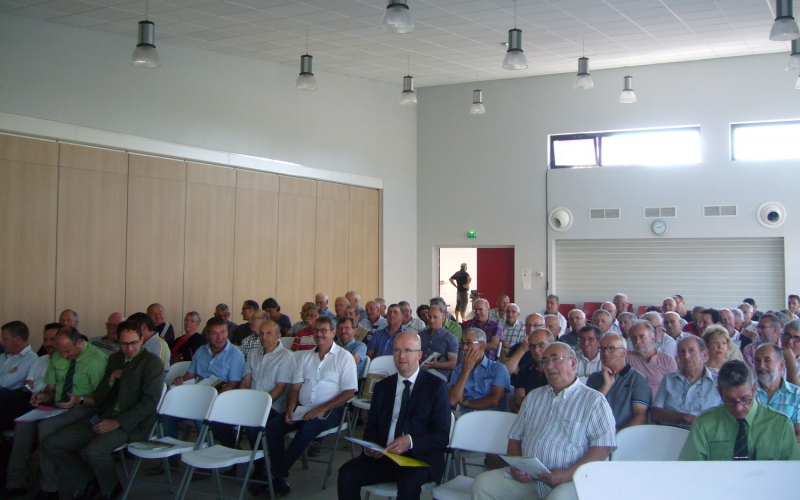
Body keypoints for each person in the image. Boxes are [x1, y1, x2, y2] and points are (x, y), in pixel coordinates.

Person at [471, 342, 617, 500]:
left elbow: (603, 448)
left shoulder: (594, 400)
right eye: (544, 361)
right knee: (483, 484)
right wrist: (517, 466)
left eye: (555, 359)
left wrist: (567, 474)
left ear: (573, 363)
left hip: (571, 480)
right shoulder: (533, 397)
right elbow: (515, 436)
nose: (549, 366)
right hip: (530, 478)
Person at [42, 320, 164, 500]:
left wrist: (117, 422)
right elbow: (100, 396)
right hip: (104, 415)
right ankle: (91, 481)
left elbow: (149, 403)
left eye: (134, 343)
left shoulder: (151, 363)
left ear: (142, 339)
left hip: (131, 423)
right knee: (54, 444)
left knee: (94, 450)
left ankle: (110, 489)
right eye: (124, 344)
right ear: (118, 341)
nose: (129, 348)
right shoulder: (115, 359)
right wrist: (111, 378)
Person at [338, 332, 450, 500]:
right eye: (396, 350)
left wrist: (410, 441)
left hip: (419, 458)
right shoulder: (383, 386)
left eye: (407, 350)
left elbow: (441, 436)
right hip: (384, 456)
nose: (401, 356)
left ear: (419, 355)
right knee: (346, 473)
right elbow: (371, 428)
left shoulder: (436, 387)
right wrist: (370, 448)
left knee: (408, 483)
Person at [3, 326, 107, 500]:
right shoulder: (59, 354)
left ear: (79, 342)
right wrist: (42, 397)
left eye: (67, 351)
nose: (63, 355)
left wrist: (79, 399)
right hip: (58, 404)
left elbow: (102, 399)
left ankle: (48, 488)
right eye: (61, 351)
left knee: (46, 427)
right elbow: (51, 388)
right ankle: (15, 482)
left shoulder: (96, 360)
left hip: (84, 407)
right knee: (23, 424)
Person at [265, 316, 357, 495]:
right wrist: (291, 408)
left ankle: (274, 474)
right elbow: (295, 387)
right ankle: (280, 476)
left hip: (331, 409)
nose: (319, 334)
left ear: (333, 332)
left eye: (324, 330)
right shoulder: (306, 357)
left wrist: (322, 409)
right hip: (302, 408)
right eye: (316, 330)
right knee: (273, 426)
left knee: (307, 429)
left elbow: (349, 393)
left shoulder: (344, 358)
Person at [151, 317, 245, 475]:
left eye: (223, 332)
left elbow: (233, 384)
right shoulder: (201, 351)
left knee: (202, 416)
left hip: (220, 399)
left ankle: (205, 462)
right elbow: (190, 375)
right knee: (168, 413)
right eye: (215, 333)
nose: (220, 337)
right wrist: (181, 379)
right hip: (197, 395)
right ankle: (171, 460)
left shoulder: (235, 354)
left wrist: (211, 398)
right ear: (207, 334)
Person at [679, 360, 800, 461]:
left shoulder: (780, 424)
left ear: (755, 390)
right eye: (730, 400)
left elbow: (793, 473)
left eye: (745, 399)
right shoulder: (704, 424)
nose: (738, 408)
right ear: (719, 392)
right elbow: (689, 469)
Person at [651, 336, 721, 428]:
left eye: (691, 351)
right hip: (669, 434)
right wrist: (685, 417)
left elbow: (724, 418)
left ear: (704, 354)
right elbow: (655, 413)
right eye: (682, 351)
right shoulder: (669, 379)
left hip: (704, 435)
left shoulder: (718, 383)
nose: (686, 356)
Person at [586, 334, 650, 429]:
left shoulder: (637, 379)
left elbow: (640, 416)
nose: (605, 353)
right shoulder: (594, 377)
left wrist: (618, 437)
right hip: (594, 431)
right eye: (602, 349)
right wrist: (606, 385)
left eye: (611, 349)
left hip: (624, 435)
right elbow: (587, 410)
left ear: (623, 353)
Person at [448, 328, 510, 413]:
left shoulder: (498, 369)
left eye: (469, 343)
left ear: (482, 345)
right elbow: (452, 400)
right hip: (464, 417)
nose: (464, 348)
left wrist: (466, 403)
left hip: (491, 417)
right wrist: (466, 371)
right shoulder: (459, 369)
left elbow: (495, 400)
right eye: (462, 343)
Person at [753, 343, 800, 443]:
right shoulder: (748, 393)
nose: (761, 365)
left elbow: (798, 433)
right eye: (757, 360)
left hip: (785, 455)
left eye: (767, 360)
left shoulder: (796, 394)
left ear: (781, 365)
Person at [0, 322, 39, 431]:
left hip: (14, 402)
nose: (1, 342)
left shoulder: (30, 358)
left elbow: (5, 383)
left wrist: (5, 375)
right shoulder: (3, 356)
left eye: (5, 339)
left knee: (2, 393)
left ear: (17, 339)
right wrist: (7, 373)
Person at [504, 325, 551, 413]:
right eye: (532, 346)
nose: (536, 350)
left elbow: (552, 405)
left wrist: (523, 401)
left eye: (541, 345)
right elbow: (516, 407)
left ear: (551, 345)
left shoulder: (557, 372)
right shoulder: (525, 371)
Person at [626, 320, 678, 398]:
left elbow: (673, 390)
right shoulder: (626, 357)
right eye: (634, 337)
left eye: (642, 337)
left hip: (658, 406)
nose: (637, 341)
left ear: (652, 338)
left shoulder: (667, 360)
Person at [417, 304, 458, 380]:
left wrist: (436, 365)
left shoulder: (450, 338)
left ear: (443, 319)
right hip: (419, 370)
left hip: (438, 373)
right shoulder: (420, 335)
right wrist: (418, 360)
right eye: (429, 317)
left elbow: (452, 363)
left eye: (435, 317)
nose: (431, 320)